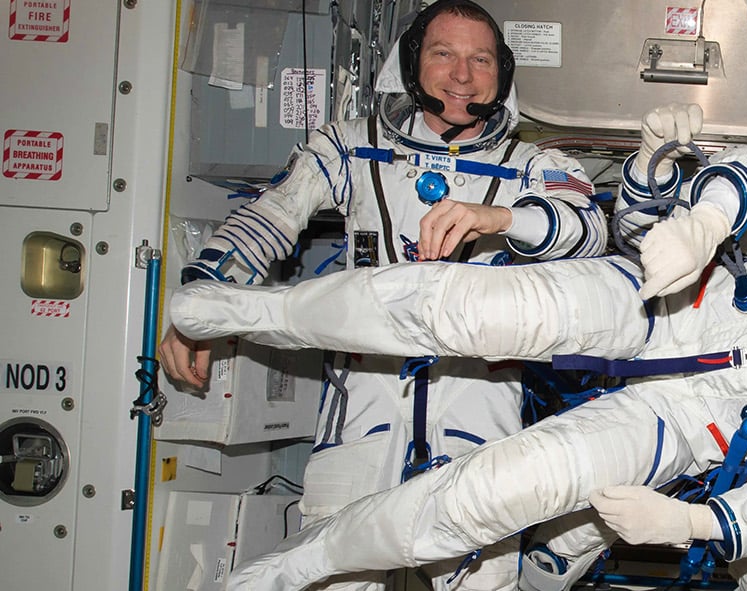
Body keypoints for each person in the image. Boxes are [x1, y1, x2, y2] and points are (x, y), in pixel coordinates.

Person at [167, 93, 747, 589]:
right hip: (674, 299)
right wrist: (701, 222)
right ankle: (255, 313)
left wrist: (700, 522)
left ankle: (304, 565)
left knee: (498, 496)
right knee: (457, 308)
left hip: (691, 421)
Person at [156, 1, 607, 589]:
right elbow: (267, 219)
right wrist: (200, 308)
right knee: (331, 574)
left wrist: (500, 217)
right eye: (443, 54)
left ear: (504, 73)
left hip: (478, 409)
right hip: (364, 410)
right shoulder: (349, 148)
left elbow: (590, 232)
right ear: (412, 63)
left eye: (481, 59)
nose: (462, 74)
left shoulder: (532, 167)